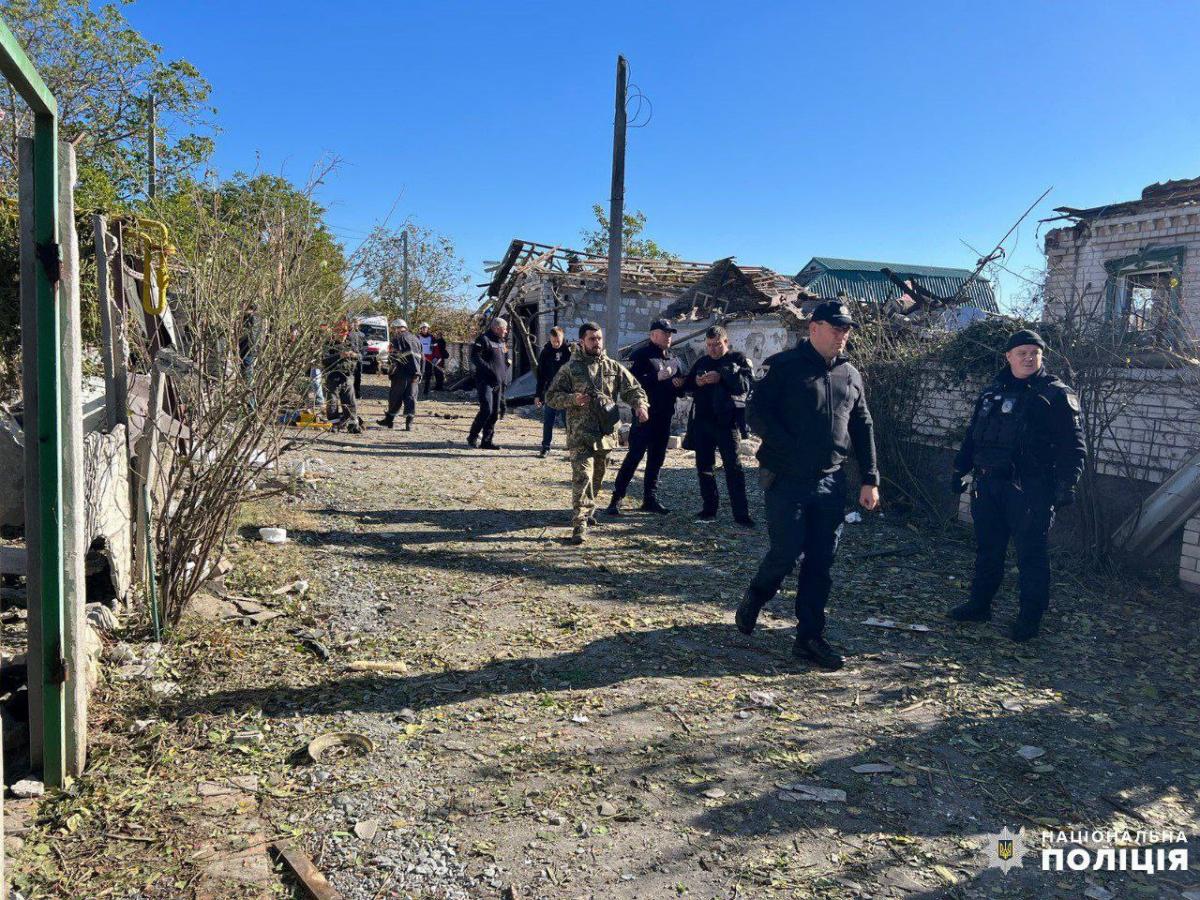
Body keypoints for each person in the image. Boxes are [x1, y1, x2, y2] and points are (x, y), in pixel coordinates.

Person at [735, 300, 880, 670]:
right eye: (836, 329)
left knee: (821, 562)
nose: (842, 336)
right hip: (787, 479)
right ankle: (757, 593)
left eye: (846, 330)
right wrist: (788, 448)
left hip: (831, 482)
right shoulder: (782, 367)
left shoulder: (850, 374)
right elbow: (756, 414)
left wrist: (870, 478)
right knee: (786, 550)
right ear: (814, 328)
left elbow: (862, 427)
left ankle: (809, 637)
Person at [948, 329, 1086, 642]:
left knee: (1031, 556)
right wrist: (960, 468)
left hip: (1031, 489)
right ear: (1008, 356)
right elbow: (974, 434)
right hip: (989, 485)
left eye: (1033, 353)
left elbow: (1073, 445)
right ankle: (979, 606)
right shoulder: (992, 392)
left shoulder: (1055, 395)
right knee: (988, 551)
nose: (1027, 357)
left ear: (1041, 357)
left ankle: (1029, 620)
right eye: (1021, 352)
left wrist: (1067, 484)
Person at [545, 322, 648, 545]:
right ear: (582, 341)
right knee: (583, 478)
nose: (597, 342)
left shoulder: (612, 367)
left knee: (597, 478)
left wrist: (640, 405)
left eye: (599, 338)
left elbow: (633, 388)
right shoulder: (570, 369)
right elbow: (551, 397)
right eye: (592, 339)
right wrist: (573, 399)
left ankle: (589, 511)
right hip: (580, 435)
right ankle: (579, 524)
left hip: (605, 436)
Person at [607, 319, 683, 515]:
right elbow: (630, 385)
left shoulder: (673, 357)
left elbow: (683, 385)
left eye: (670, 333)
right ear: (653, 335)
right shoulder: (640, 355)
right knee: (634, 456)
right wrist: (655, 378)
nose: (669, 336)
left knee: (657, 459)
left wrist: (680, 384)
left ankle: (650, 499)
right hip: (644, 417)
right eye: (665, 333)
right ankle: (617, 498)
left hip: (665, 416)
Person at [681, 325, 755, 526]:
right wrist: (697, 381)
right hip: (703, 422)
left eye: (717, 345)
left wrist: (722, 376)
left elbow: (747, 384)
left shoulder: (737, 359)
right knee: (704, 468)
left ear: (726, 342)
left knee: (734, 469)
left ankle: (741, 514)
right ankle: (709, 508)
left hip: (727, 423)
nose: (713, 349)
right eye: (709, 345)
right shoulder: (702, 361)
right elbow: (687, 386)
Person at [467, 317, 510, 449]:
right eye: (505, 328)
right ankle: (473, 436)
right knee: (486, 409)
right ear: (497, 328)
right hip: (485, 380)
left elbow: (505, 357)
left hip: (498, 382)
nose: (506, 331)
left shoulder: (502, 341)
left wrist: (505, 369)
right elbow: (475, 357)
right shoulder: (483, 339)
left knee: (494, 413)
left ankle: (486, 441)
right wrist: (490, 371)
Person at [378, 318, 423, 430]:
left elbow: (393, 357)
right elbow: (423, 358)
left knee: (395, 397)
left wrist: (387, 370)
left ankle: (389, 421)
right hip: (415, 374)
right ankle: (409, 424)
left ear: (397, 328)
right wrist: (420, 373)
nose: (393, 331)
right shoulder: (416, 339)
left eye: (394, 329)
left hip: (401, 373)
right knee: (411, 397)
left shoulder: (397, 339)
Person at [534, 326, 571, 457]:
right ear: (550, 338)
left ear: (562, 337)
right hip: (551, 392)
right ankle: (545, 447)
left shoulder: (569, 351)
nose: (556, 343)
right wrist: (538, 395)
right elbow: (541, 376)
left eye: (558, 341)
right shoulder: (545, 352)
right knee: (548, 420)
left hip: (567, 392)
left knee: (568, 421)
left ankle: (572, 446)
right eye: (554, 341)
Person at [323, 319, 362, 433]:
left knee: (350, 401)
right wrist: (339, 355)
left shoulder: (350, 344)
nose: (343, 335)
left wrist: (354, 355)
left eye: (345, 333)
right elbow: (324, 360)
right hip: (333, 376)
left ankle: (352, 424)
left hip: (347, 376)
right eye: (340, 333)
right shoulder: (329, 345)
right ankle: (334, 424)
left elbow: (360, 356)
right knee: (332, 402)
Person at [418, 323, 447, 396]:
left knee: (428, 375)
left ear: (428, 329)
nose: (424, 329)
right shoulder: (417, 337)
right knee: (417, 374)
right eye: (423, 328)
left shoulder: (432, 338)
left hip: (429, 359)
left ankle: (426, 391)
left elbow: (436, 349)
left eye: (426, 328)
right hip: (419, 358)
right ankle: (415, 389)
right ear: (420, 329)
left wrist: (436, 358)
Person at [350, 317, 366, 399]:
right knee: (348, 376)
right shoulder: (348, 334)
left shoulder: (362, 334)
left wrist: (361, 355)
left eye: (357, 322)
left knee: (358, 376)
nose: (355, 323)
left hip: (358, 358)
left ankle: (357, 393)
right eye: (354, 322)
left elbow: (364, 346)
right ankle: (348, 394)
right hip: (349, 358)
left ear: (359, 323)